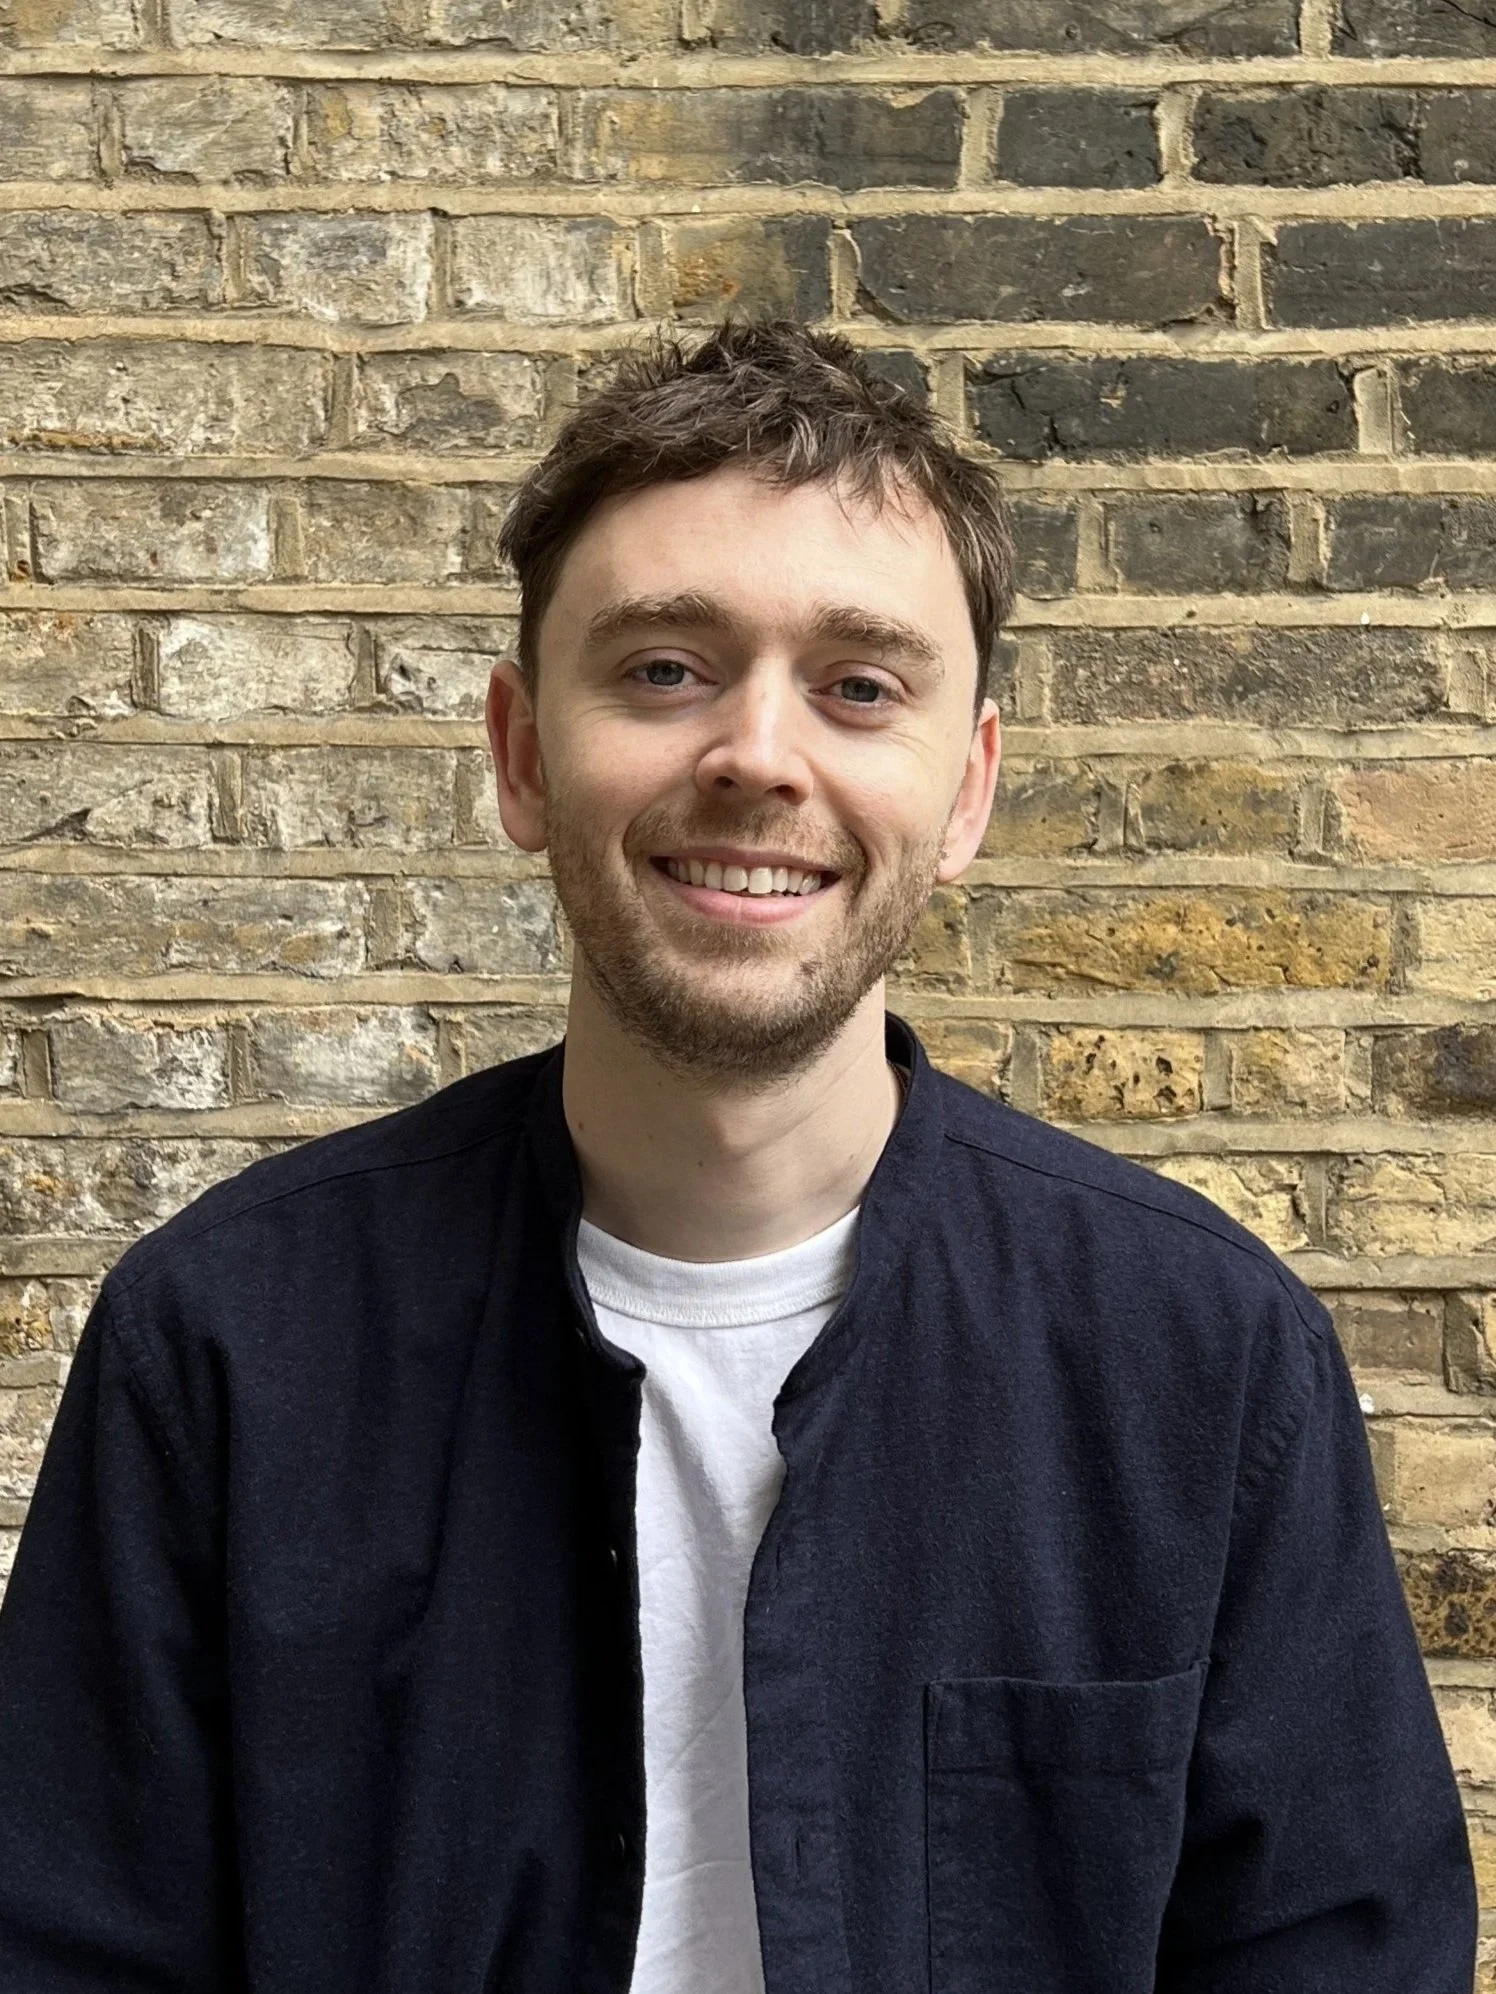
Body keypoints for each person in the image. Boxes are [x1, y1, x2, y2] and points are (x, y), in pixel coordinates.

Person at [0, 320, 1475, 1993]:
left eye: (859, 686)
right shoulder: (223, 1345)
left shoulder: (1197, 1360)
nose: (758, 755)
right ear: (520, 752)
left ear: (970, 786)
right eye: (662, 668)